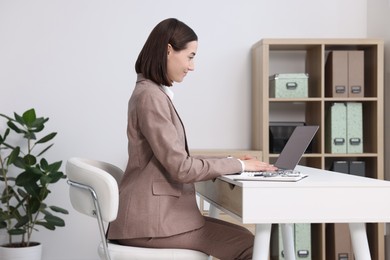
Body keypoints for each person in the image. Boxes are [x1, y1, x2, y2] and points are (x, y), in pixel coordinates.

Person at [107, 18, 277, 260]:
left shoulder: (150, 93)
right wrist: (238, 165)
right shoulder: (150, 97)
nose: (192, 66)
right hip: (150, 225)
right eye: (190, 56)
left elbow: (179, 158)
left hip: (154, 219)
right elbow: (182, 168)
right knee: (251, 246)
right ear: (168, 50)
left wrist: (232, 160)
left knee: (249, 238)